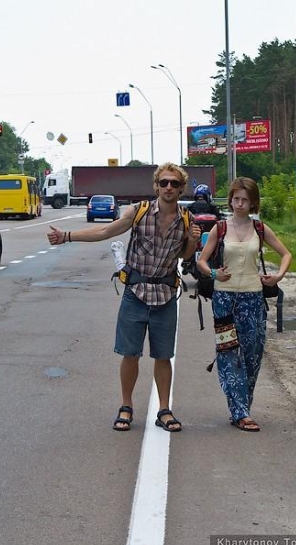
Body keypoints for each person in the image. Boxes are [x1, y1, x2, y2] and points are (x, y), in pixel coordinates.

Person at [47, 162, 201, 432]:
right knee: (130, 354)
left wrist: (191, 241)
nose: (168, 187)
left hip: (165, 295)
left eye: (174, 184)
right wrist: (67, 236)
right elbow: (106, 231)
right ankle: (126, 406)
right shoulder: (139, 212)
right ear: (156, 186)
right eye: (163, 182)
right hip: (136, 293)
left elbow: (185, 258)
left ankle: (164, 410)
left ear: (181, 188)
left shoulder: (186, 219)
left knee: (163, 356)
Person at [196, 177, 292, 432]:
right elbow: (202, 262)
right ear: (230, 200)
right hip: (224, 300)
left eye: (244, 199)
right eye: (236, 199)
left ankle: (242, 406)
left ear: (252, 202)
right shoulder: (220, 228)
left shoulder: (260, 228)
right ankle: (240, 412)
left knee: (252, 356)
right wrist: (215, 274)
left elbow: (286, 254)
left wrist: (278, 276)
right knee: (228, 355)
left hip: (253, 298)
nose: (239, 204)